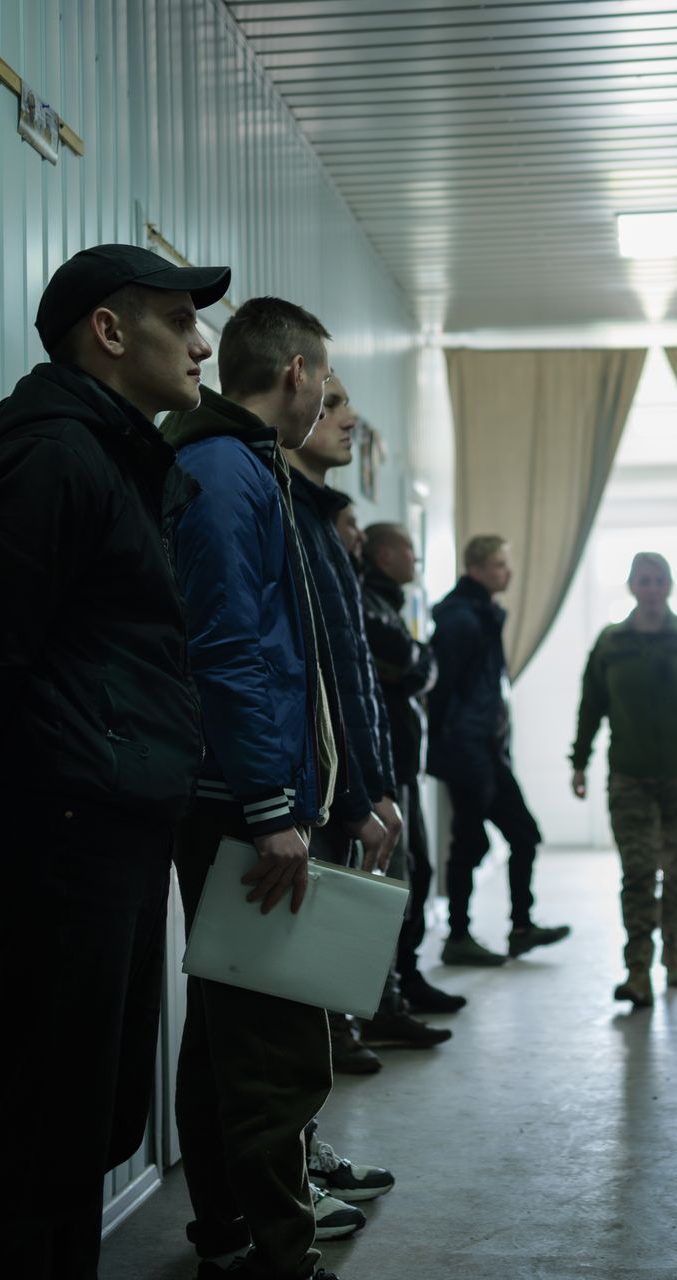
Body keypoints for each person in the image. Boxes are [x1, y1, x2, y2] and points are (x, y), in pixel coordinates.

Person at [0, 245, 226, 1276]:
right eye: (181, 320)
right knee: (47, 1125)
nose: (202, 341)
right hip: (65, 824)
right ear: (108, 330)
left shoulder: (120, 458)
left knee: (92, 1118)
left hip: (116, 817)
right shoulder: (53, 453)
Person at [161, 296, 368, 1280]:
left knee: (227, 1036)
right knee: (277, 1049)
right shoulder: (221, 470)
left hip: (250, 795)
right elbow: (228, 648)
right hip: (243, 804)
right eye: (323, 379)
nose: (325, 395)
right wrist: (269, 807)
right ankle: (276, 1255)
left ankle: (232, 1237)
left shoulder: (242, 471)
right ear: (295, 372)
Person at [284, 376, 446, 1065]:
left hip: (359, 781)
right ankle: (351, 1024)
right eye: (334, 401)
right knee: (280, 985)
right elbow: (300, 672)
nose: (351, 417)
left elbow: (374, 677)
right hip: (304, 796)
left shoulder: (320, 535)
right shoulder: (276, 509)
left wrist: (370, 785)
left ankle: (370, 1010)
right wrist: (348, 794)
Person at [569, 553, 677, 1006]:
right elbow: (591, 705)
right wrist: (579, 761)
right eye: (645, 580)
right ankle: (637, 969)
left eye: (660, 580)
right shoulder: (611, 642)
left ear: (670, 585)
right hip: (629, 775)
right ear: (632, 587)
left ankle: (673, 955)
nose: (653, 588)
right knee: (638, 870)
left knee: (676, 868)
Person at [427, 536, 572, 965]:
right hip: (468, 752)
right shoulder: (462, 620)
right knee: (468, 845)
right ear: (476, 570)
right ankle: (458, 937)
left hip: (487, 751)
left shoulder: (482, 615)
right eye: (498, 565)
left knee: (523, 835)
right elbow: (441, 692)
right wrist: (452, 748)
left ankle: (521, 928)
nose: (506, 572)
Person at [360, 522, 467, 1014]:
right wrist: (416, 666)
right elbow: (410, 663)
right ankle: (386, 998)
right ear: (384, 555)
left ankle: (405, 977)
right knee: (396, 875)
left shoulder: (389, 606)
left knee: (418, 871)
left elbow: (419, 666)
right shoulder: (364, 602)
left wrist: (416, 666)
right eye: (408, 549)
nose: (416, 559)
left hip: (402, 760)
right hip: (383, 764)